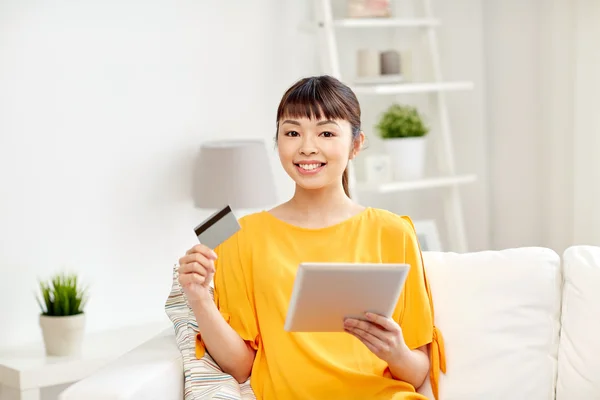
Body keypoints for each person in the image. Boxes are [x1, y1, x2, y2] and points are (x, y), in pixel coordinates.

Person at [177, 75, 446, 400]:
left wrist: (395, 351)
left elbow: (418, 372)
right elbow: (240, 367)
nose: (307, 147)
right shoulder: (241, 236)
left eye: (327, 133)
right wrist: (199, 299)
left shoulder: (393, 232)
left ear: (356, 144)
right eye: (292, 133)